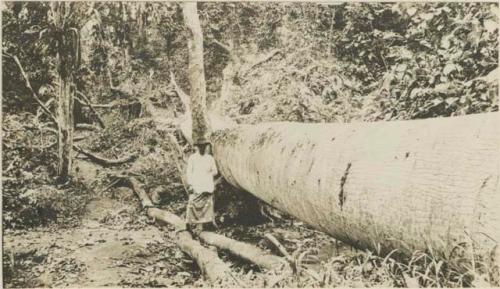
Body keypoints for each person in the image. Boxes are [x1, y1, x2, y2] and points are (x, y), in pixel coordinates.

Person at [185, 141, 218, 234]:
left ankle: (206, 224)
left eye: (204, 146)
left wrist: (207, 174)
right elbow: (189, 172)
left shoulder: (210, 158)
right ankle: (188, 223)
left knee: (208, 204)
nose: (202, 148)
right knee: (192, 203)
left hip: (206, 184)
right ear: (197, 147)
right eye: (200, 147)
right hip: (196, 184)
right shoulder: (193, 158)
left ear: (206, 147)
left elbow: (215, 171)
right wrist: (190, 184)